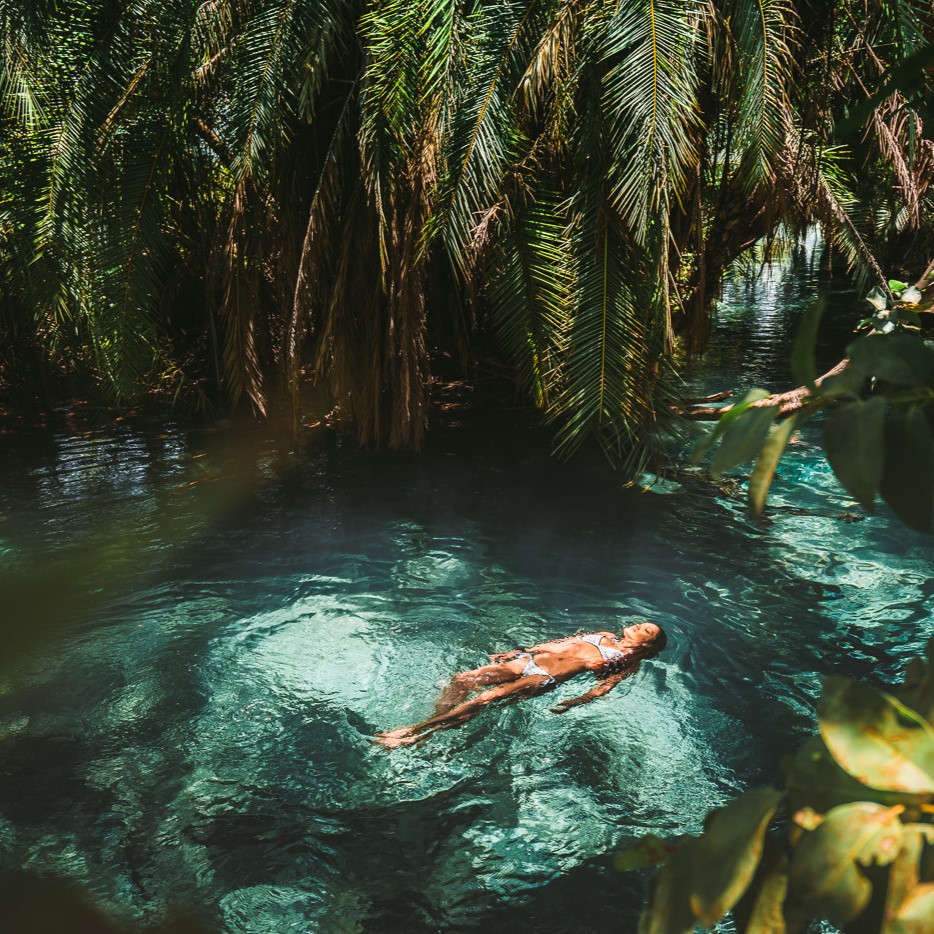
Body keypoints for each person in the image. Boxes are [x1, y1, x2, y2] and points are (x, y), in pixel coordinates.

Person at [375, 622, 666, 748]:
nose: (640, 626)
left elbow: (605, 687)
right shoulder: (603, 634)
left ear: (647, 644)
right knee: (462, 681)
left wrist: (577, 702)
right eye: (643, 624)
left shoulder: (627, 662)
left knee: (482, 701)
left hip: (542, 678)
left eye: (647, 630)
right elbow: (560, 643)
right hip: (527, 661)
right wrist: (520, 651)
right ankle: (434, 727)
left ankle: (413, 732)